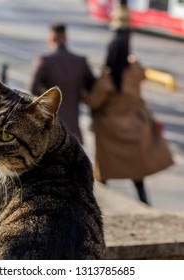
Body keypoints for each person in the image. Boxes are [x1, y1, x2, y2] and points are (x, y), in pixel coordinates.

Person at [82, 27, 174, 205]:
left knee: (105, 172)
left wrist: (83, 92)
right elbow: (143, 73)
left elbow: (93, 102)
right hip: (135, 129)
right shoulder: (134, 72)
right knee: (137, 175)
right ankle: (145, 204)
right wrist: (134, 60)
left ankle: (99, 204)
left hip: (110, 133)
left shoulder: (107, 80)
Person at [28, 23, 95, 143]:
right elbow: (93, 86)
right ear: (65, 38)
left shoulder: (44, 61)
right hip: (73, 127)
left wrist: (48, 101)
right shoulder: (80, 61)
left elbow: (32, 87)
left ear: (51, 39)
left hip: (52, 127)